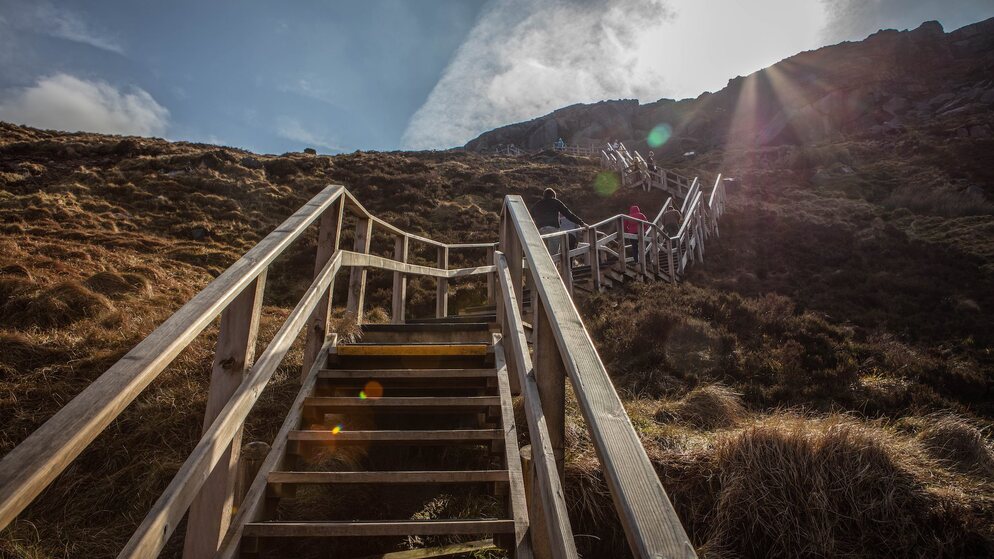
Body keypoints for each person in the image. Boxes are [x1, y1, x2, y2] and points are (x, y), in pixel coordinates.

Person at [530, 188, 586, 257]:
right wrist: (582, 223)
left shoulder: (536, 205)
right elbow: (569, 215)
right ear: (553, 196)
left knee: (543, 255)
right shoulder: (555, 202)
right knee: (553, 256)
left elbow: (528, 218)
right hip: (553, 230)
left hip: (540, 231)